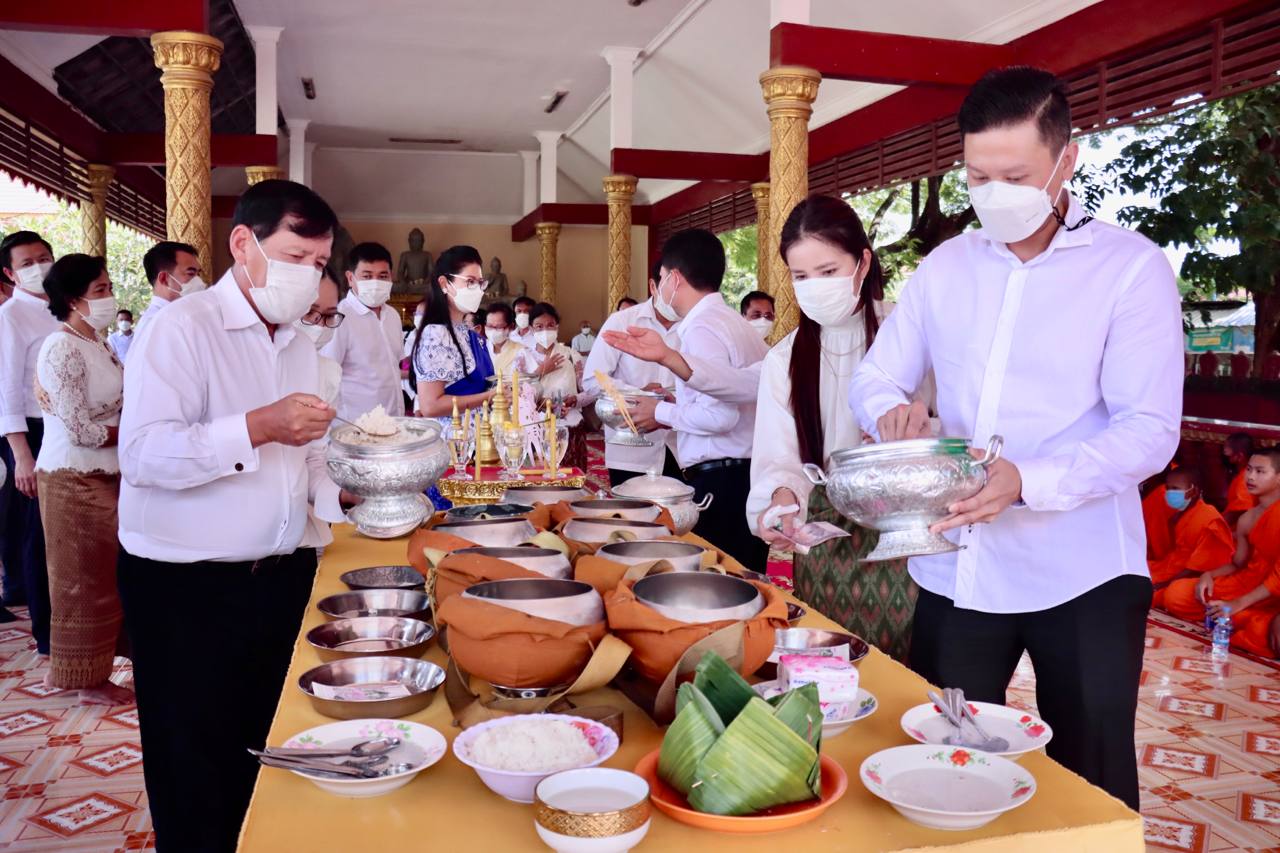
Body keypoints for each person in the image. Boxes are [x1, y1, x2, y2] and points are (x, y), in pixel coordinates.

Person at [848, 67, 1183, 810]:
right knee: (944, 758)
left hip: (1084, 568)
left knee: (1092, 777)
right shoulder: (946, 267)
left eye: (1016, 176)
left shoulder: (1128, 269)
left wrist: (1026, 479)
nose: (994, 192)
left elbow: (1150, 430)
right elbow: (875, 377)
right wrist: (891, 411)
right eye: (978, 176)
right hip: (960, 564)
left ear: (1066, 160)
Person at [116, 179, 352, 853]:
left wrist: (350, 498)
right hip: (188, 586)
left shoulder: (301, 346)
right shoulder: (181, 328)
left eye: (318, 261)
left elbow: (308, 464)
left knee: (270, 742)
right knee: (194, 760)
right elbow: (144, 455)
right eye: (295, 256)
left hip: (279, 576)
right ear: (243, 243)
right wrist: (256, 425)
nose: (307, 274)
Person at [746, 195, 918, 660]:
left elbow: (948, 429)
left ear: (863, 262)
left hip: (908, 536)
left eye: (828, 271)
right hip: (828, 541)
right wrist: (782, 496)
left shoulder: (907, 332)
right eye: (801, 276)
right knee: (832, 665)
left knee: (909, 672)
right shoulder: (785, 358)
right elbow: (780, 456)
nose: (815, 287)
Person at [602, 229, 769, 571]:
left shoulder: (701, 327)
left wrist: (661, 412)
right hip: (744, 473)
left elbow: (720, 416)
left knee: (721, 580)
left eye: (661, 277)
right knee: (744, 578)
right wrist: (675, 400)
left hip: (723, 478)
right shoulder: (731, 322)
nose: (659, 287)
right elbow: (727, 392)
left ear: (674, 278)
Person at [34, 254, 133, 705]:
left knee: (105, 576)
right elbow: (80, 429)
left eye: (108, 287)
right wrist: (132, 433)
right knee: (81, 581)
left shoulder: (97, 341)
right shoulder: (62, 347)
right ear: (74, 299)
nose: (110, 297)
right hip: (73, 477)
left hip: (107, 473)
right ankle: (83, 681)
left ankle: (94, 668)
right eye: (100, 290)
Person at [0, 230, 57, 652]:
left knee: (59, 532)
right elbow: (6, 390)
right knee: (37, 536)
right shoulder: (11, 316)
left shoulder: (59, 307)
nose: (38, 267)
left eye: (43, 257)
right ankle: (47, 635)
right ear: (10, 274)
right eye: (26, 263)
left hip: (62, 430)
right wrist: (21, 454)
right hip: (31, 433)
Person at [1166, 449, 1280, 657]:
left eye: (1260, 471)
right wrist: (1208, 575)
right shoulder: (1248, 518)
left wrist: (1237, 604)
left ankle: (1242, 618)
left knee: (1258, 630)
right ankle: (1236, 618)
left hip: (1273, 597)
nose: (1250, 477)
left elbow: (1277, 580)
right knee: (1177, 594)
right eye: (1249, 470)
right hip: (1246, 585)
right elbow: (1238, 564)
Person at [584, 262, 684, 487]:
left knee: (682, 507)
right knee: (632, 508)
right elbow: (592, 379)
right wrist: (639, 394)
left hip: (682, 448)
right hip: (631, 449)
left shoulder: (694, 326)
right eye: (672, 287)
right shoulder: (622, 322)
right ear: (653, 286)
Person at [410, 245, 497, 423]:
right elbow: (430, 406)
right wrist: (489, 397)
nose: (478, 290)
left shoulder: (465, 331)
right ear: (444, 284)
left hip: (478, 432)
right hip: (453, 436)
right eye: (470, 282)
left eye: (480, 283)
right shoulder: (436, 335)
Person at [320, 242, 405, 423]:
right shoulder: (339, 317)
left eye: (383, 276)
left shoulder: (393, 316)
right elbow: (327, 376)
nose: (375, 282)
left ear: (391, 277)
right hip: (356, 425)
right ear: (350, 278)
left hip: (394, 420)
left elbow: (394, 366)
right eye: (367, 276)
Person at [512, 303, 589, 472]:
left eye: (550, 325)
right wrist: (540, 371)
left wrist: (574, 400)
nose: (545, 330)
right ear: (531, 329)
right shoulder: (523, 357)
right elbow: (515, 393)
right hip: (535, 428)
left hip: (569, 426)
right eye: (539, 326)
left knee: (569, 478)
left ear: (557, 327)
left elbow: (589, 391)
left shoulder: (571, 355)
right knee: (537, 480)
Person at [1145, 467, 1234, 610]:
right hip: (1171, 567)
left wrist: (1161, 585)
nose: (1169, 493)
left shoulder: (1209, 519)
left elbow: (1197, 569)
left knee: (1150, 592)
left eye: (1175, 489)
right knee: (1138, 572)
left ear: (1193, 491)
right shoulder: (1184, 512)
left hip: (1191, 577)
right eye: (1168, 488)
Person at [138, 240, 204, 332]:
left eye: (198, 274)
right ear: (164, 279)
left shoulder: (180, 315)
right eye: (190, 273)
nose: (199, 281)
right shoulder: (158, 324)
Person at [1223, 432, 1258, 527]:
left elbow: (1239, 511)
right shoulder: (1241, 473)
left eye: (1227, 453)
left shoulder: (1245, 477)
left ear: (1240, 456)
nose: (1224, 455)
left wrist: (1220, 526)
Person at [485, 301, 523, 380]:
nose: (493, 331)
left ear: (511, 327)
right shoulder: (479, 349)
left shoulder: (520, 350)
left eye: (499, 327)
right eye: (490, 326)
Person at [402, 297, 428, 410]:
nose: (419, 317)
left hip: (422, 396)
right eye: (417, 313)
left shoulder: (436, 341)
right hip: (403, 396)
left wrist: (402, 374)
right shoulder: (405, 337)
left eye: (423, 314)